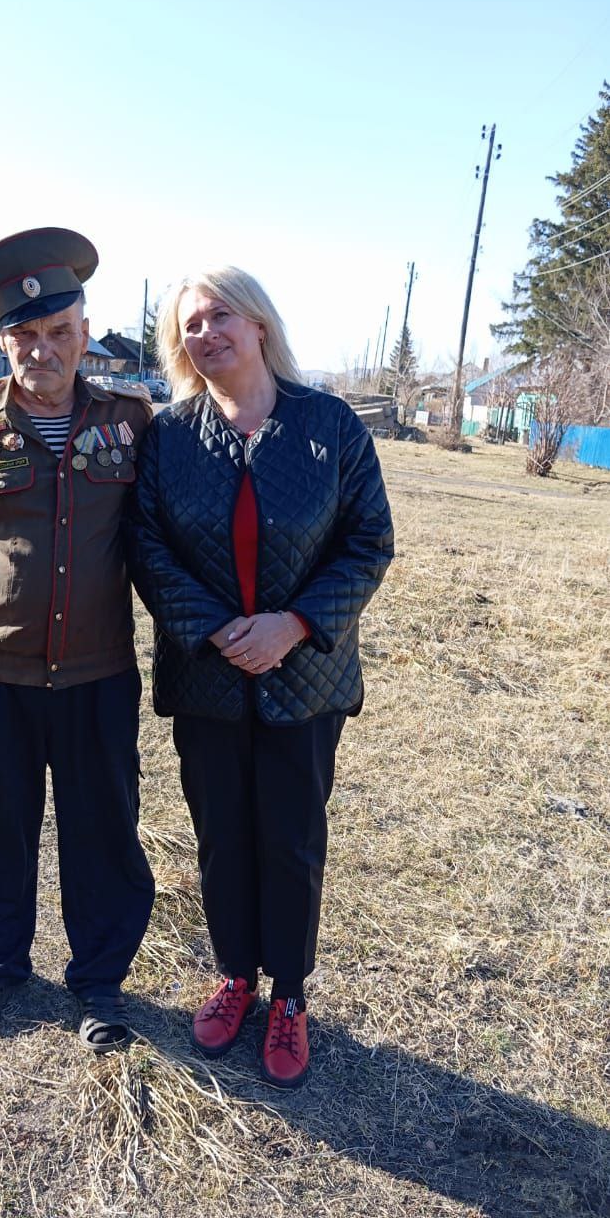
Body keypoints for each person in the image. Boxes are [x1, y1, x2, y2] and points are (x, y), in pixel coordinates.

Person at [126, 266, 394, 1087]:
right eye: (189, 325)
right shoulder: (169, 437)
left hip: (303, 681)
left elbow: (367, 542)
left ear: (258, 325)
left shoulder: (330, 427)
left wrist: (293, 625)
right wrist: (213, 630)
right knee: (222, 840)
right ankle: (235, 976)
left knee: (290, 839)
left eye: (219, 317)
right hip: (207, 677)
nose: (205, 335)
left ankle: (288, 995)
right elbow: (147, 549)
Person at [0, 227, 155, 1054]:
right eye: (23, 337)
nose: (40, 351)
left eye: (57, 333)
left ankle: (99, 982)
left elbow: (166, 537)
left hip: (97, 673)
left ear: (84, 332)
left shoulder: (132, 423)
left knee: (102, 830)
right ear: (1, 340)